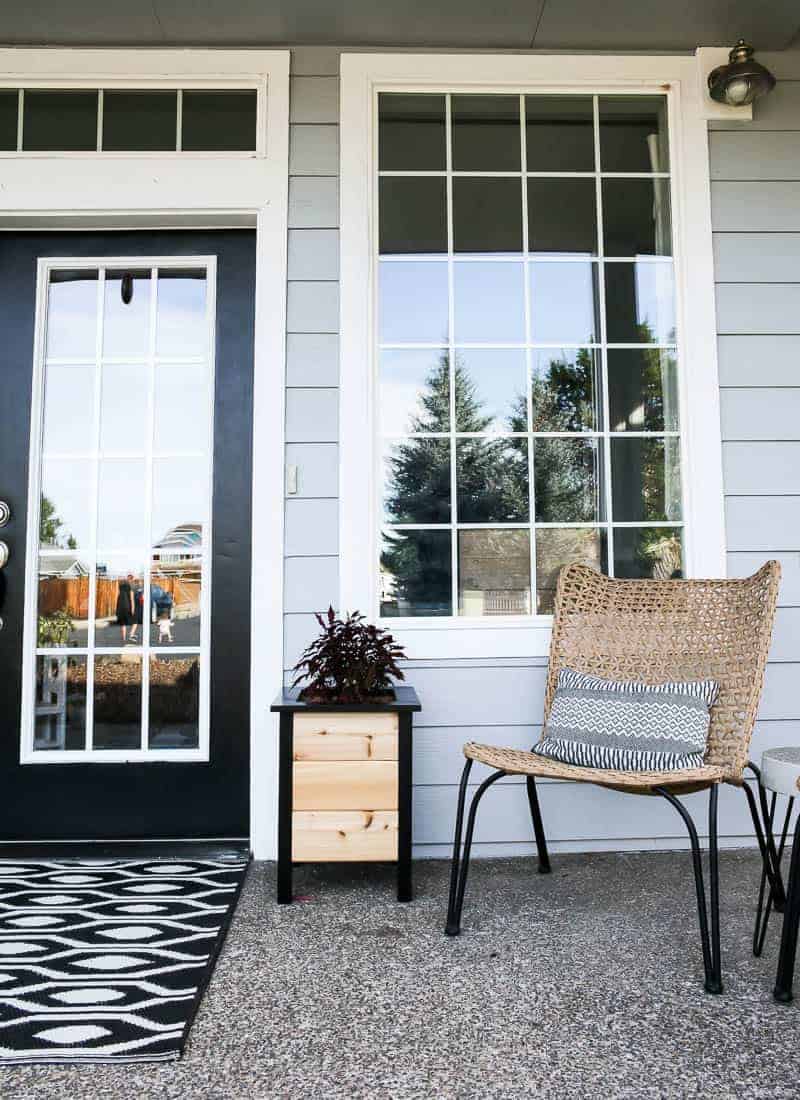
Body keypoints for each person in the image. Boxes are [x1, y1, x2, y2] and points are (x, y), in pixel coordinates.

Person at [115, 574, 134, 644]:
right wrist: (132, 608)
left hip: (120, 605)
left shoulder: (120, 592)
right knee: (128, 622)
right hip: (127, 605)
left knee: (123, 623)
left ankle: (124, 637)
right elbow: (131, 599)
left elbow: (117, 599)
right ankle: (128, 635)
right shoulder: (129, 589)